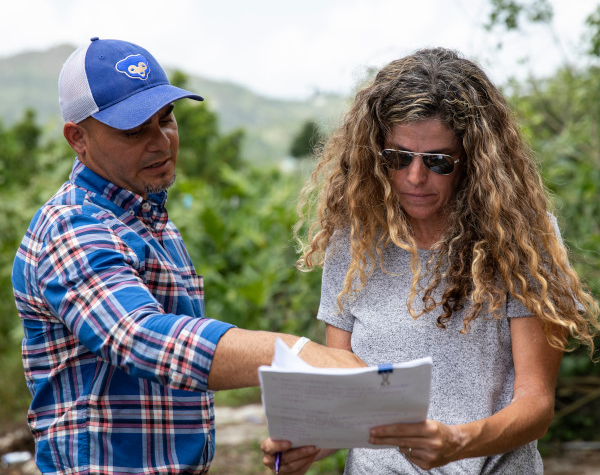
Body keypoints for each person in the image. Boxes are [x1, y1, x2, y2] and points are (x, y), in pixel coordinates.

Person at [11, 37, 366, 475]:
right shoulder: (72, 226)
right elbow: (139, 336)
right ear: (77, 138)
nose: (161, 142)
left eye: (166, 119)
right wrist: (292, 352)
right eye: (134, 130)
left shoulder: (152, 220)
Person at [261, 47, 600, 474]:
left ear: (473, 161)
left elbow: (536, 404)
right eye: (398, 158)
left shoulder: (520, 238)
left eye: (438, 161)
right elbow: (350, 405)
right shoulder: (352, 242)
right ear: (374, 154)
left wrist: (458, 443)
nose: (415, 178)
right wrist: (313, 443)